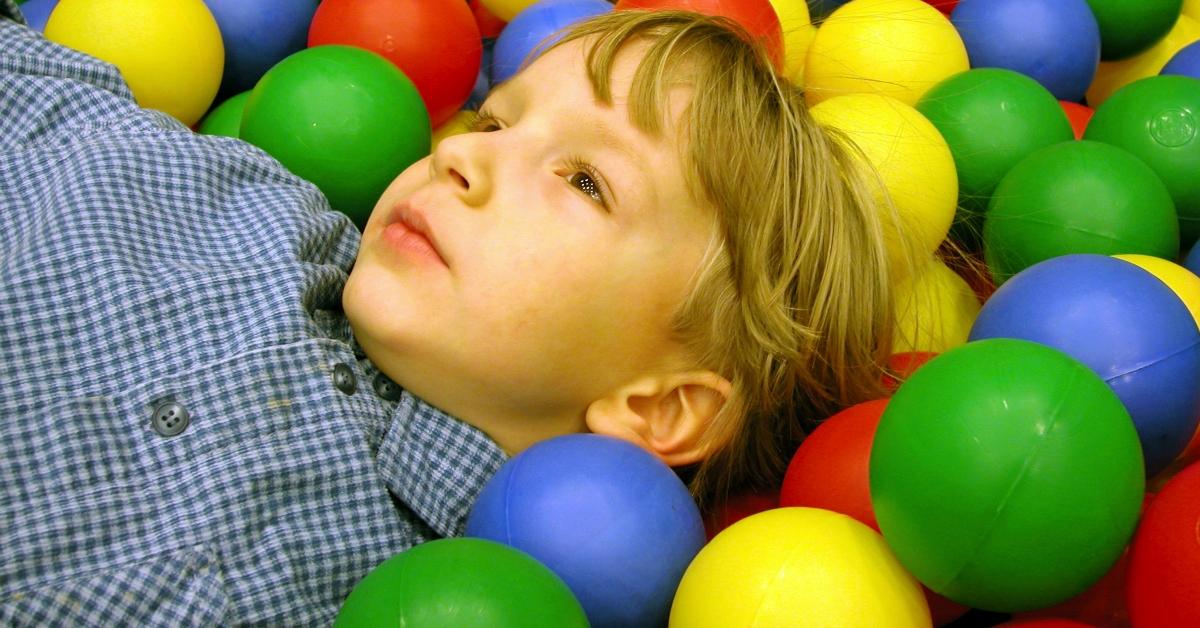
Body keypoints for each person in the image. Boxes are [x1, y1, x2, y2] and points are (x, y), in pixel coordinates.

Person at [0, 1, 897, 624]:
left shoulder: (442, 591)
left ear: (659, 407)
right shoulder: (237, 195)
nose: (465, 156)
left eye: (586, 181)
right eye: (497, 121)